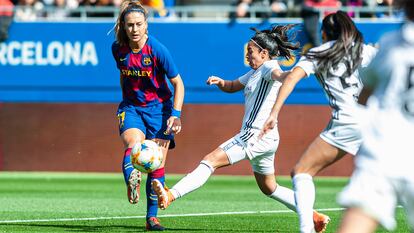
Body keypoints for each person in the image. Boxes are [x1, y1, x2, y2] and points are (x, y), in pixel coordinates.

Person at [151, 24, 329, 232]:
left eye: (251, 52)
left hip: (254, 135)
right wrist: (220, 82)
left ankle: (171, 195)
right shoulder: (254, 73)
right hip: (267, 139)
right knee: (269, 187)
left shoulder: (268, 67)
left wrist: (292, 74)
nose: (248, 56)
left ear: (264, 53)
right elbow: (234, 85)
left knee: (210, 161)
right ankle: (313, 216)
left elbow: (280, 75)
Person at [259, 11, 377, 233]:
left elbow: (292, 77)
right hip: (374, 120)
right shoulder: (365, 49)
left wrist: (274, 113)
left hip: (347, 121)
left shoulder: (317, 53)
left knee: (302, 172)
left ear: (323, 32)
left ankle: (307, 229)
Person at [337, 0, 414, 232]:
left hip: (385, 148)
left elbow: (365, 95)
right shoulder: (392, 42)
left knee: (357, 220)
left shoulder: (392, 43)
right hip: (386, 149)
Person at [111, 0, 184, 231]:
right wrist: (127, 100)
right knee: (133, 145)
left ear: (146, 25)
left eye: (138, 24)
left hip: (159, 111)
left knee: (156, 164)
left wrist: (176, 114)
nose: (134, 29)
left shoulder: (158, 50)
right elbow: (124, 76)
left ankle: (151, 218)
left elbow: (178, 84)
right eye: (130, 25)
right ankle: (131, 180)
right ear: (123, 25)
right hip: (131, 108)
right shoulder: (117, 48)